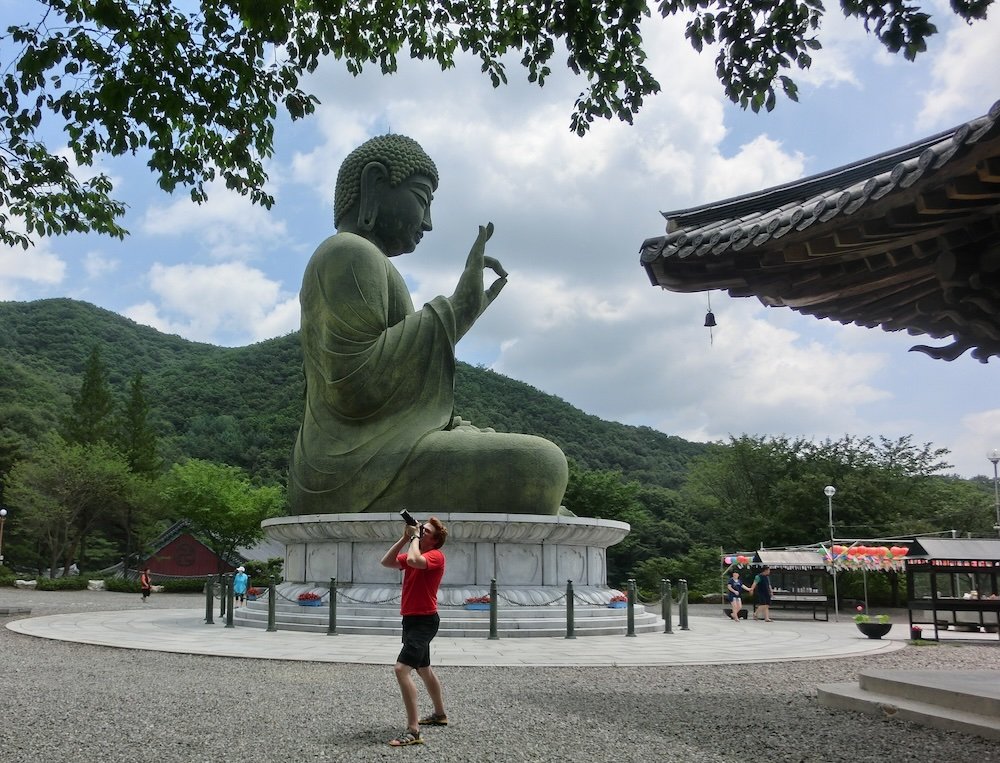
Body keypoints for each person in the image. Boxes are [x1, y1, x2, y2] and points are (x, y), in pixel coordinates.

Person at [288, 134, 569, 516]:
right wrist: (456, 309)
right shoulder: (347, 252)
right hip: (350, 463)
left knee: (537, 466)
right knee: (541, 464)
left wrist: (446, 423)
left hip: (380, 450)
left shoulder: (372, 262)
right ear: (373, 184)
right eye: (421, 199)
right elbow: (352, 390)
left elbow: (398, 386)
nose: (428, 222)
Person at [380, 515, 449, 747]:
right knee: (424, 669)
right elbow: (387, 563)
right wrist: (404, 538)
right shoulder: (415, 550)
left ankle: (413, 730)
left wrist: (414, 540)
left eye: (426, 531)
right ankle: (440, 715)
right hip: (411, 620)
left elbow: (415, 559)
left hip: (425, 621)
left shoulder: (435, 556)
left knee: (401, 669)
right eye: (422, 529)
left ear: (435, 539)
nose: (421, 531)